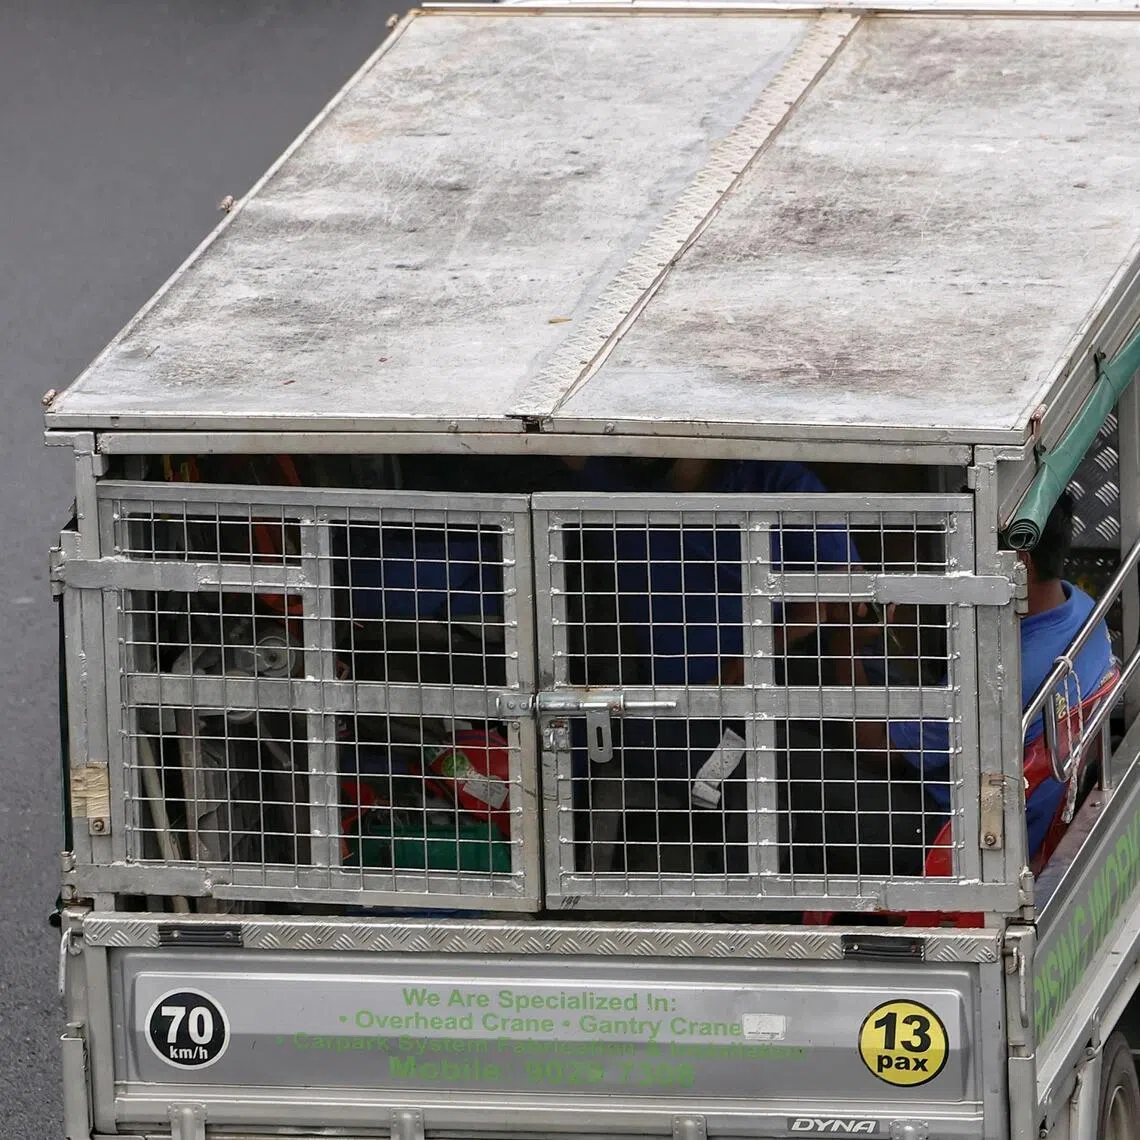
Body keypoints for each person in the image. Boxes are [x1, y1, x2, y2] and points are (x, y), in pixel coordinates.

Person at [790, 491, 1116, 876]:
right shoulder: (1082, 608)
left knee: (784, 750)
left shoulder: (1001, 676)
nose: (962, 559)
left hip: (949, 833)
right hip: (1003, 798)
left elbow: (875, 745)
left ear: (1020, 563)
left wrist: (844, 642)